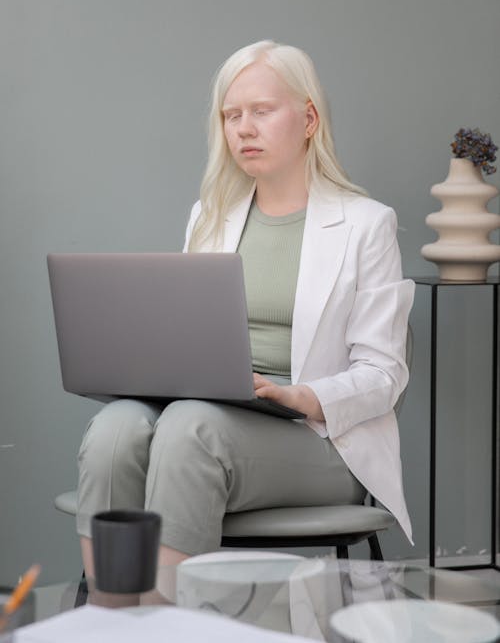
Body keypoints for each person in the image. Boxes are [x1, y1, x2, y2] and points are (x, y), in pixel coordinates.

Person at [77, 40, 415, 580]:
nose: (243, 128)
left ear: (308, 118)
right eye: (231, 115)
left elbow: (384, 374)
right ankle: (110, 613)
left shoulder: (367, 224)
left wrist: (301, 396)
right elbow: (186, 337)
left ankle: (168, 626)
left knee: (190, 428)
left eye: (261, 111)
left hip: (315, 437)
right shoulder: (208, 218)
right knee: (116, 427)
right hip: (207, 411)